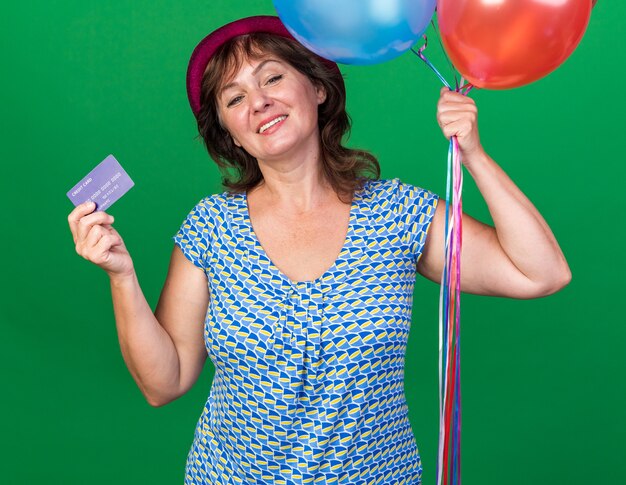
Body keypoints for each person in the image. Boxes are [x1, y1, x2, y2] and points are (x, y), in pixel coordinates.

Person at [67, 15, 571, 485]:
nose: (258, 102)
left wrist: (474, 156)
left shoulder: (398, 214)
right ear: (232, 137)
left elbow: (540, 273)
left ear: (319, 88)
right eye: (234, 98)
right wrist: (121, 275)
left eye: (271, 78)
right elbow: (165, 382)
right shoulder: (211, 227)